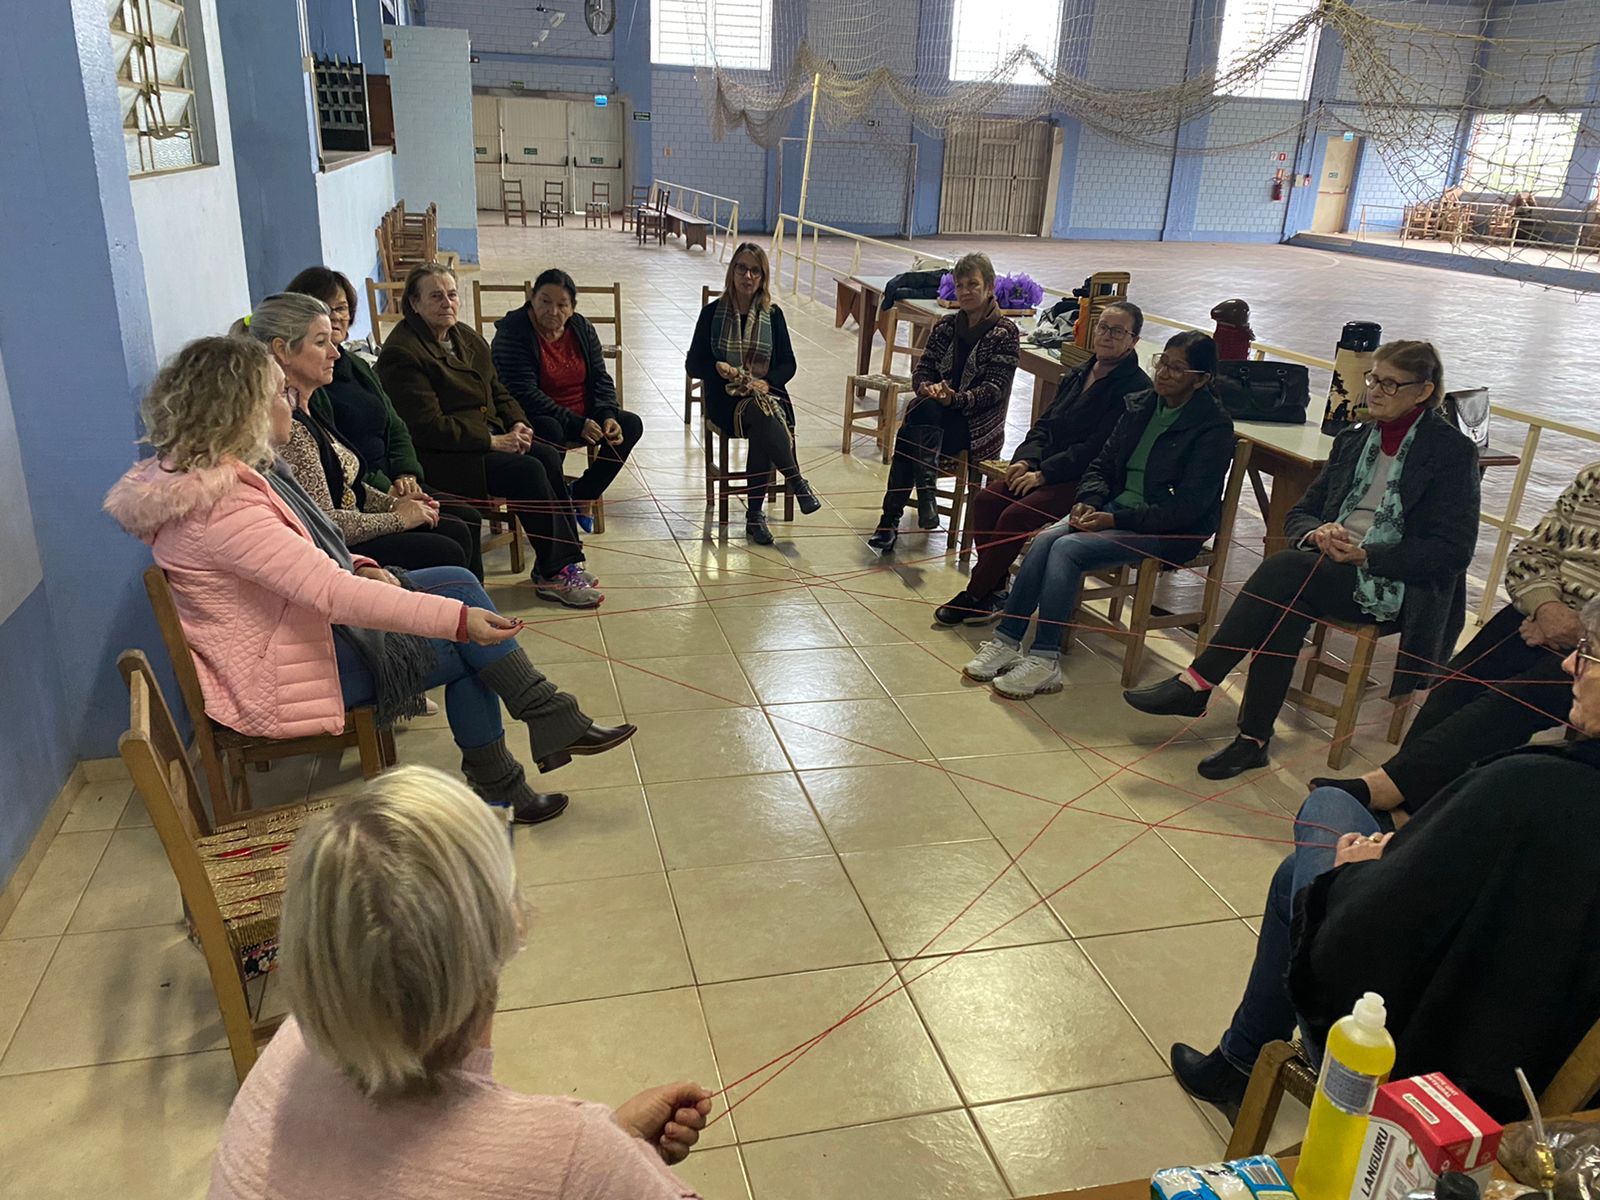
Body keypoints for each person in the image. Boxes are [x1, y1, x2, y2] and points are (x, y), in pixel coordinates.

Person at [104, 336, 636, 826]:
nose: (289, 403)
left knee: (456, 579)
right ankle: (514, 770)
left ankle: (538, 734)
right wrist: (458, 622)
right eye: (278, 394)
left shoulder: (225, 480)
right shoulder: (225, 509)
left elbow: (308, 554)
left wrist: (360, 563)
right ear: (243, 411)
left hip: (291, 635)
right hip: (284, 674)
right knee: (469, 647)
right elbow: (331, 594)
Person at [1168, 598, 1600, 1125]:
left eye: (1589, 653)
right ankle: (1236, 1060)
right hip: (1552, 1078)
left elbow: (1350, 947)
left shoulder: (1532, 786)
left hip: (1426, 1071)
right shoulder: (1545, 791)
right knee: (1296, 876)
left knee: (1328, 809)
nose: (1569, 664)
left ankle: (1238, 1062)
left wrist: (1359, 871)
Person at [208, 765, 713, 1199]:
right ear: (505, 929)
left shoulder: (290, 1050)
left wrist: (611, 1154)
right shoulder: (580, 1157)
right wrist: (605, 1167)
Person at [1125, 340, 1480, 781]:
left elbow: (1453, 550)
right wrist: (1318, 531)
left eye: (1390, 384)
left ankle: (1199, 683)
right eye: (1373, 378)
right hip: (1329, 565)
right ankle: (1252, 740)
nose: (1375, 390)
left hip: (1396, 579)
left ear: (1424, 391)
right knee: (1285, 602)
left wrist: (1367, 553)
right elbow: (1301, 513)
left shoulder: (1451, 452)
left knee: (1285, 571)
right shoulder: (1354, 439)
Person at [1309, 460, 1600, 815]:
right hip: (1543, 613)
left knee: (1512, 701)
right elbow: (1531, 554)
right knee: (1456, 683)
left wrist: (1579, 630)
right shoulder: (1593, 477)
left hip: (1593, 642)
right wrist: (1545, 608)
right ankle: (1412, 799)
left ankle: (1390, 789)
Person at [962, 331, 1235, 700]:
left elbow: (1188, 506)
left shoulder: (1213, 427)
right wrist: (1089, 500)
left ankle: (1045, 659)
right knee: (1045, 540)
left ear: (1201, 379)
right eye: (1162, 362)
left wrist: (1116, 520)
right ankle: (1007, 640)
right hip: (1114, 508)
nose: (1164, 373)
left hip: (1166, 528)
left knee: (1067, 549)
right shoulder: (1142, 405)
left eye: (1177, 368)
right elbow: (1102, 464)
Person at [377, 263, 600, 608]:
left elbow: (498, 389)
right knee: (528, 471)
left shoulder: (464, 336)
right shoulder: (403, 353)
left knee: (544, 453)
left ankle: (563, 562)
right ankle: (554, 572)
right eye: (436, 296)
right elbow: (428, 426)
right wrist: (492, 441)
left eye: (452, 294)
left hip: (485, 440)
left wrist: (518, 423)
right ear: (414, 304)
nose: (447, 303)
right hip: (447, 456)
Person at [936, 300, 1150, 626]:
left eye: (1118, 332)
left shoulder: (1135, 388)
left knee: (1016, 515)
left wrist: (1044, 475)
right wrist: (1025, 461)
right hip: (1046, 467)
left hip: (1087, 480)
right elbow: (1044, 424)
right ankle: (995, 588)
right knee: (987, 501)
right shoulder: (1080, 372)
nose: (1107, 336)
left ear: (1134, 340)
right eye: (1103, 327)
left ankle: (976, 594)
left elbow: (1097, 449)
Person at [238, 292, 475, 573]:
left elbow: (350, 486)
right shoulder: (288, 429)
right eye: (320, 342)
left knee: (455, 527)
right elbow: (324, 522)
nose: (335, 353)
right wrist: (399, 518)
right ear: (283, 350)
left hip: (352, 525)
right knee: (446, 547)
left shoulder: (309, 406)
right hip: (334, 550)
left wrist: (393, 504)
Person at [868, 252, 1020, 554]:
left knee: (911, 432)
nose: (965, 291)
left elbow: (994, 390)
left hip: (976, 426)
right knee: (922, 410)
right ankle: (924, 501)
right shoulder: (946, 326)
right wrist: (927, 387)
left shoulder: (1005, 333)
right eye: (960, 285)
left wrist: (955, 399)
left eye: (973, 284)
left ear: (990, 287)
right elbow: (922, 369)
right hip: (937, 418)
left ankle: (891, 521)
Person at [685, 241, 821, 545]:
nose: (748, 276)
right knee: (763, 417)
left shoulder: (773, 315)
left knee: (763, 417)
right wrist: (717, 367)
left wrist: (767, 383)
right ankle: (792, 485)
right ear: (732, 271)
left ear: (763, 277)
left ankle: (757, 515)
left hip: (765, 397)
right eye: (742, 268)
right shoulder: (712, 314)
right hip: (725, 399)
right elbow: (693, 364)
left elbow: (788, 364)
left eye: (755, 271)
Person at [490, 267, 644, 533]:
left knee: (630, 425)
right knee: (551, 431)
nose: (553, 311)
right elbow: (523, 392)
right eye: (545, 302)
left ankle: (582, 493)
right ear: (532, 299)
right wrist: (576, 423)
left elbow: (600, 377)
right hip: (534, 413)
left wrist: (607, 414)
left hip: (581, 410)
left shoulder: (581, 328)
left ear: (572, 308)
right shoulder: (513, 332)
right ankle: (552, 508)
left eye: (562, 305)